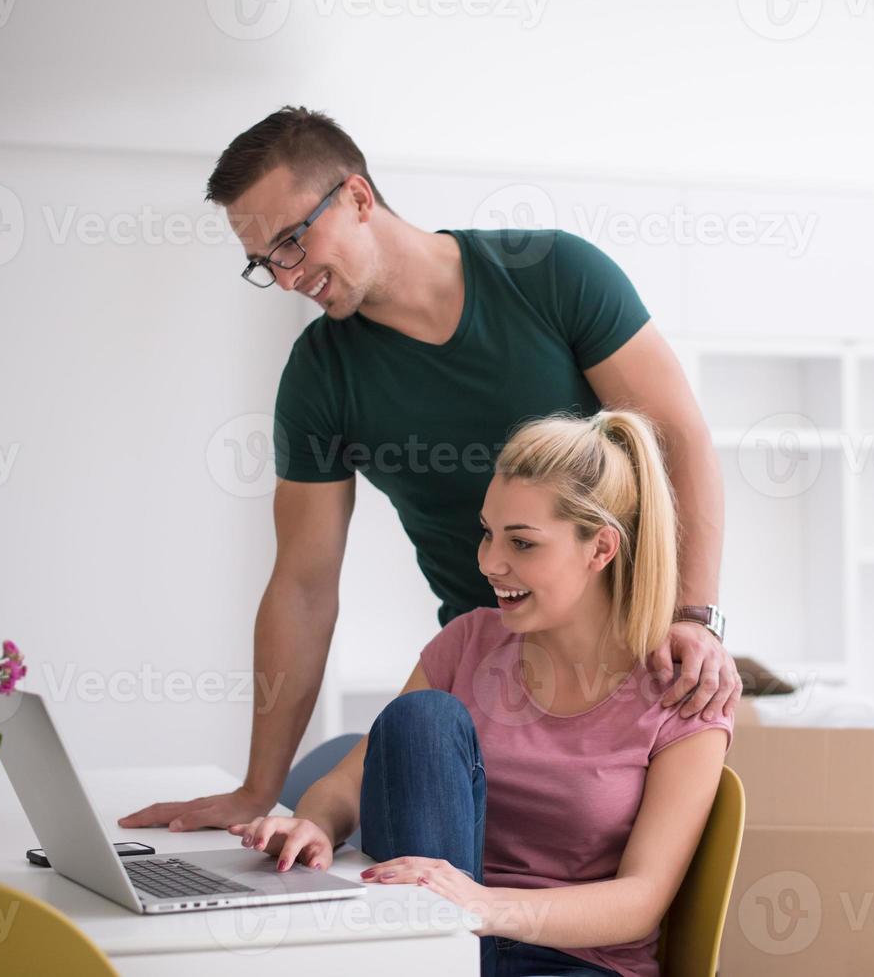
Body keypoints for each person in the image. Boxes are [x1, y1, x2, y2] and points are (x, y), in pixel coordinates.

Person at [121, 107, 738, 834]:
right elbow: (302, 583)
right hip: (485, 683)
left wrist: (692, 620)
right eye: (265, 263)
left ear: (356, 197)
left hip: (634, 666)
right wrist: (258, 788)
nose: (286, 277)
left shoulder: (551, 276)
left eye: (292, 242)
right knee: (358, 825)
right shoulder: (322, 374)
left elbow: (679, 443)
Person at [229, 411, 731, 977]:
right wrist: (315, 823)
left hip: (572, 961)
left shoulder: (684, 690)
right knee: (422, 718)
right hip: (445, 947)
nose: (490, 562)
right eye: (488, 533)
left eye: (522, 542)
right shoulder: (467, 641)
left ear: (601, 548)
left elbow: (640, 902)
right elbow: (349, 780)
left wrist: (485, 906)